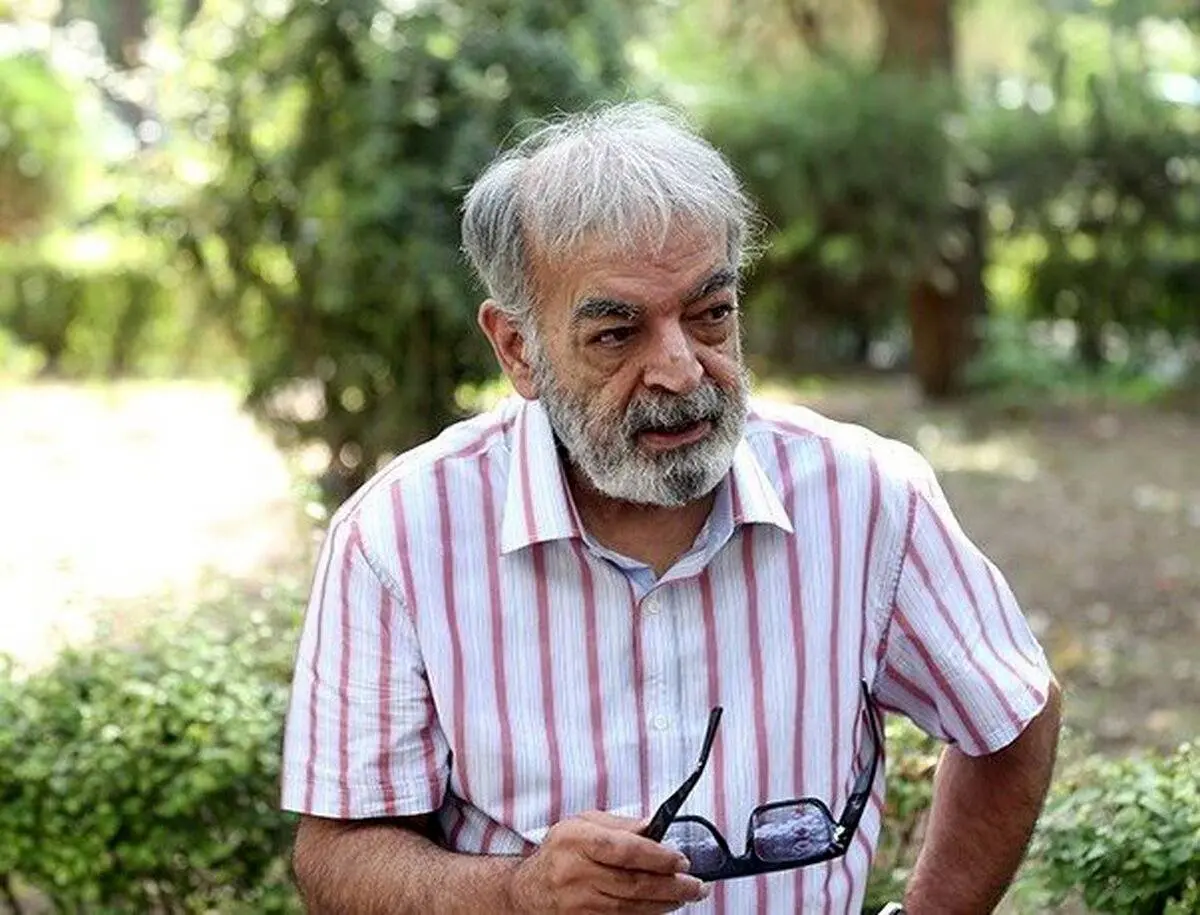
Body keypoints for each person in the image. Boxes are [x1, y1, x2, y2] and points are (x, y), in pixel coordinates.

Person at [280, 102, 1061, 914]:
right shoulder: (399, 537)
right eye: (617, 334)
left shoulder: (867, 498)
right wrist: (517, 893)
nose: (683, 371)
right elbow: (337, 854)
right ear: (517, 348)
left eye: (710, 314)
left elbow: (1015, 716)